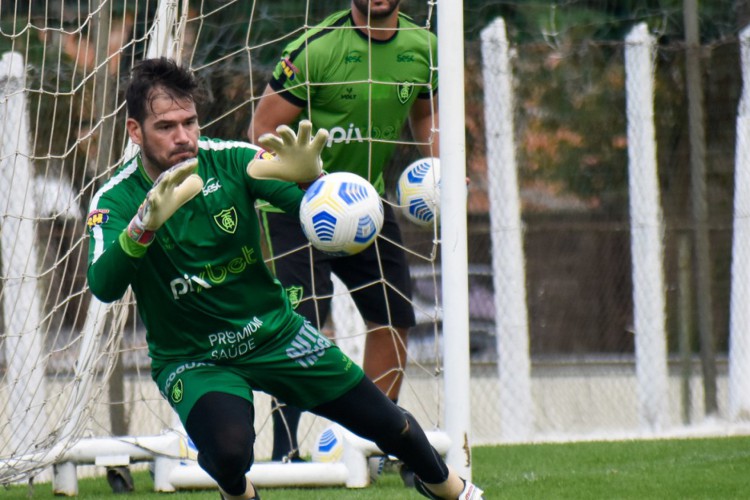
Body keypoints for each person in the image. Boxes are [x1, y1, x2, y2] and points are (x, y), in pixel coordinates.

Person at [85, 58, 480, 500]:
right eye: (165, 127)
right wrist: (143, 226)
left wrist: (314, 180)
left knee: (388, 423)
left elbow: (308, 205)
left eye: (190, 122)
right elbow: (103, 285)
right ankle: (237, 490)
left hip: (274, 334)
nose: (183, 137)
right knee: (231, 453)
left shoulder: (231, 161)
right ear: (135, 131)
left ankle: (453, 490)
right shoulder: (116, 198)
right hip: (193, 357)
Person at [248, 0, 439, 467]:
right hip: (294, 204)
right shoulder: (315, 50)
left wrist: (440, 165)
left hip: (365, 205)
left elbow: (426, 114)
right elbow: (262, 128)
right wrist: (305, 183)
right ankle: (286, 451)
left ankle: (375, 445)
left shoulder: (424, 47)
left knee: (393, 318)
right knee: (300, 327)